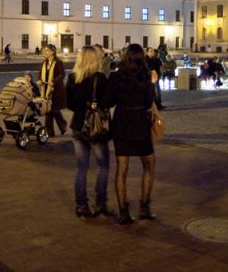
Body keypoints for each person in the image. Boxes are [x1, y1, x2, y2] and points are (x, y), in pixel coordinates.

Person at [107, 43, 157, 224]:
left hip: (121, 123)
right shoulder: (145, 77)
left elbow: (109, 101)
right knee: (149, 165)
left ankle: (123, 212)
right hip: (140, 123)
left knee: (122, 169)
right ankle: (145, 207)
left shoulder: (116, 76)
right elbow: (149, 102)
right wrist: (152, 84)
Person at [65, 46, 112, 218]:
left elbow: (69, 104)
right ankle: (100, 203)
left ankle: (81, 205)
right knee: (103, 166)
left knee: (81, 168)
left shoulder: (72, 78)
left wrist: (82, 107)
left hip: (78, 126)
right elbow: (108, 102)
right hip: (95, 128)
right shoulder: (99, 78)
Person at [39, 44, 68, 137]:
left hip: (56, 90)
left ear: (52, 52)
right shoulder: (44, 62)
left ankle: (61, 125)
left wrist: (54, 81)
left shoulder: (58, 62)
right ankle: (51, 131)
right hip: (46, 89)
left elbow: (62, 75)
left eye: (47, 50)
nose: (45, 52)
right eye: (45, 50)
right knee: (48, 110)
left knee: (54, 110)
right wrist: (39, 80)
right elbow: (40, 74)